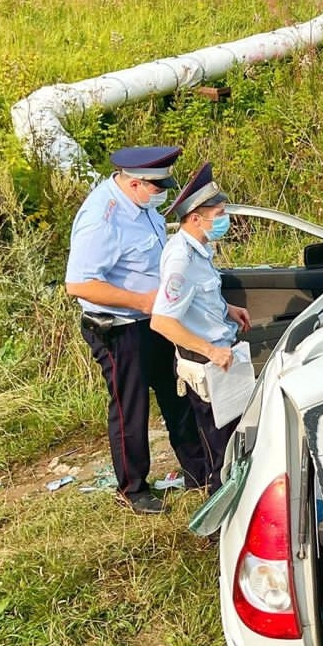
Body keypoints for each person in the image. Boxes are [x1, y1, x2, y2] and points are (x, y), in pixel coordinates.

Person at [64, 145, 220, 516]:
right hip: (119, 328)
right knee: (130, 408)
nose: (161, 193)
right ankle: (133, 489)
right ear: (134, 183)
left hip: (155, 321)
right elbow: (79, 285)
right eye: (155, 187)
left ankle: (199, 472)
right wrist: (139, 301)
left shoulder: (142, 203)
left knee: (177, 396)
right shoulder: (102, 219)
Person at [151, 161, 251, 480]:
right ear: (196, 218)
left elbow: (199, 298)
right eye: (219, 215)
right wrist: (211, 351)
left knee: (237, 441)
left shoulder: (200, 249)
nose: (225, 220)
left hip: (221, 353)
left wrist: (227, 307)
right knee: (219, 451)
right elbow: (163, 322)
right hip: (206, 362)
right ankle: (217, 525)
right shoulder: (180, 258)